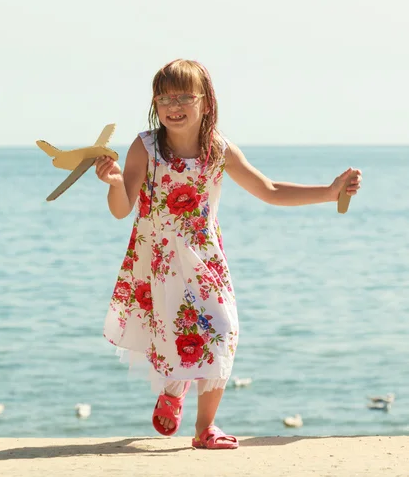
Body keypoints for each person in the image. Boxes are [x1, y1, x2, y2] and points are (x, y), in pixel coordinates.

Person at [95, 59, 362, 450]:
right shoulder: (145, 147)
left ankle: (205, 429)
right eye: (165, 96)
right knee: (172, 333)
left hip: (205, 257)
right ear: (155, 102)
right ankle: (173, 389)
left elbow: (268, 190)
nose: (174, 104)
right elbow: (122, 209)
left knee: (223, 329)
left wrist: (329, 191)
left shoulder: (218, 149)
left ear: (205, 101)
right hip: (159, 258)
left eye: (185, 95)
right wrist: (116, 182)